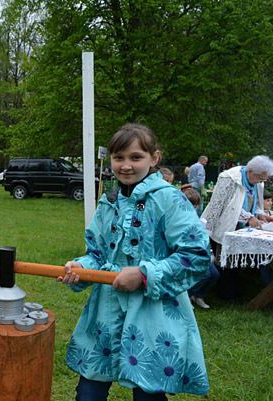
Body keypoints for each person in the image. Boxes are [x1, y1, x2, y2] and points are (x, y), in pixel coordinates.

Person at [57, 124, 211, 400]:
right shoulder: (109, 202)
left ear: (154, 158)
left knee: (147, 392)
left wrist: (143, 275)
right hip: (106, 309)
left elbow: (196, 255)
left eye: (136, 157)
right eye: (119, 158)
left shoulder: (170, 200)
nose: (126, 165)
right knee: (88, 392)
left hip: (154, 311)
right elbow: (97, 254)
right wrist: (82, 266)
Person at [201, 155, 273, 302]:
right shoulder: (229, 179)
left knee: (236, 261)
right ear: (250, 171)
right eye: (260, 178)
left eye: (263, 180)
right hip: (223, 225)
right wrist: (248, 218)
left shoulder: (257, 182)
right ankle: (225, 294)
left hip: (241, 228)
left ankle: (235, 291)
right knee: (225, 261)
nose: (261, 182)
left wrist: (260, 214)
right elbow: (225, 207)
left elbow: (256, 204)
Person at [181, 185, 220, 309]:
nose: (193, 208)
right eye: (191, 205)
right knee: (205, 274)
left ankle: (198, 295)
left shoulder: (197, 219)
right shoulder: (179, 219)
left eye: (195, 206)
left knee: (215, 274)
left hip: (201, 252)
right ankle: (186, 295)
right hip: (188, 253)